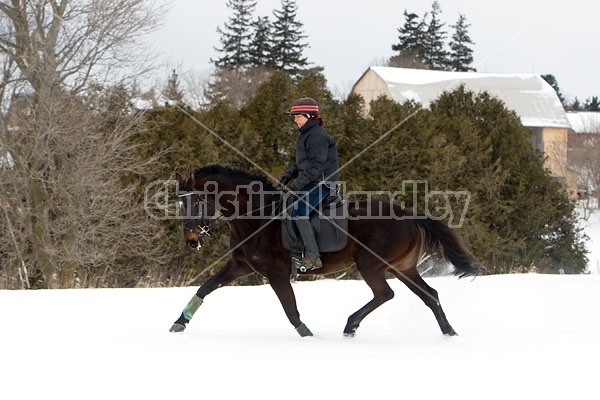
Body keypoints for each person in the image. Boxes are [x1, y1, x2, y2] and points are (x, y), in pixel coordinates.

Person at [280, 97, 339, 270]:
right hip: (311, 182)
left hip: (323, 184)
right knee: (284, 205)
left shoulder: (318, 136)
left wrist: (297, 186)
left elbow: (316, 166)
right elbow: (302, 163)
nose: (295, 119)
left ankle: (313, 257)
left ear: (309, 115)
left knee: (299, 211)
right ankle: (295, 252)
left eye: (297, 116)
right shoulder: (306, 135)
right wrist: (287, 176)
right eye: (294, 116)